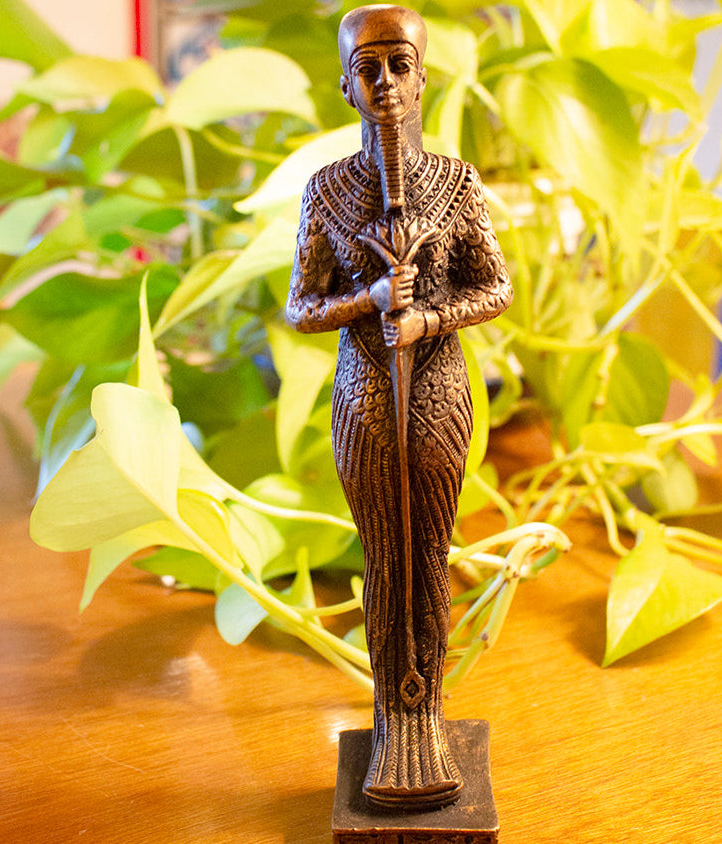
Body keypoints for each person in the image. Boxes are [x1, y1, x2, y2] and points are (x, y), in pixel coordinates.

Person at [286, 5, 513, 809]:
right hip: (367, 394)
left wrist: (429, 317)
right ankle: (393, 715)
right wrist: (371, 297)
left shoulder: (455, 185)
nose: (385, 83)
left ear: (424, 78)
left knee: (432, 550)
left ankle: (430, 711)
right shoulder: (328, 191)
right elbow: (301, 309)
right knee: (384, 552)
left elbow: (497, 287)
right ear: (346, 86)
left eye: (399, 66)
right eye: (368, 68)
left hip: (441, 389)